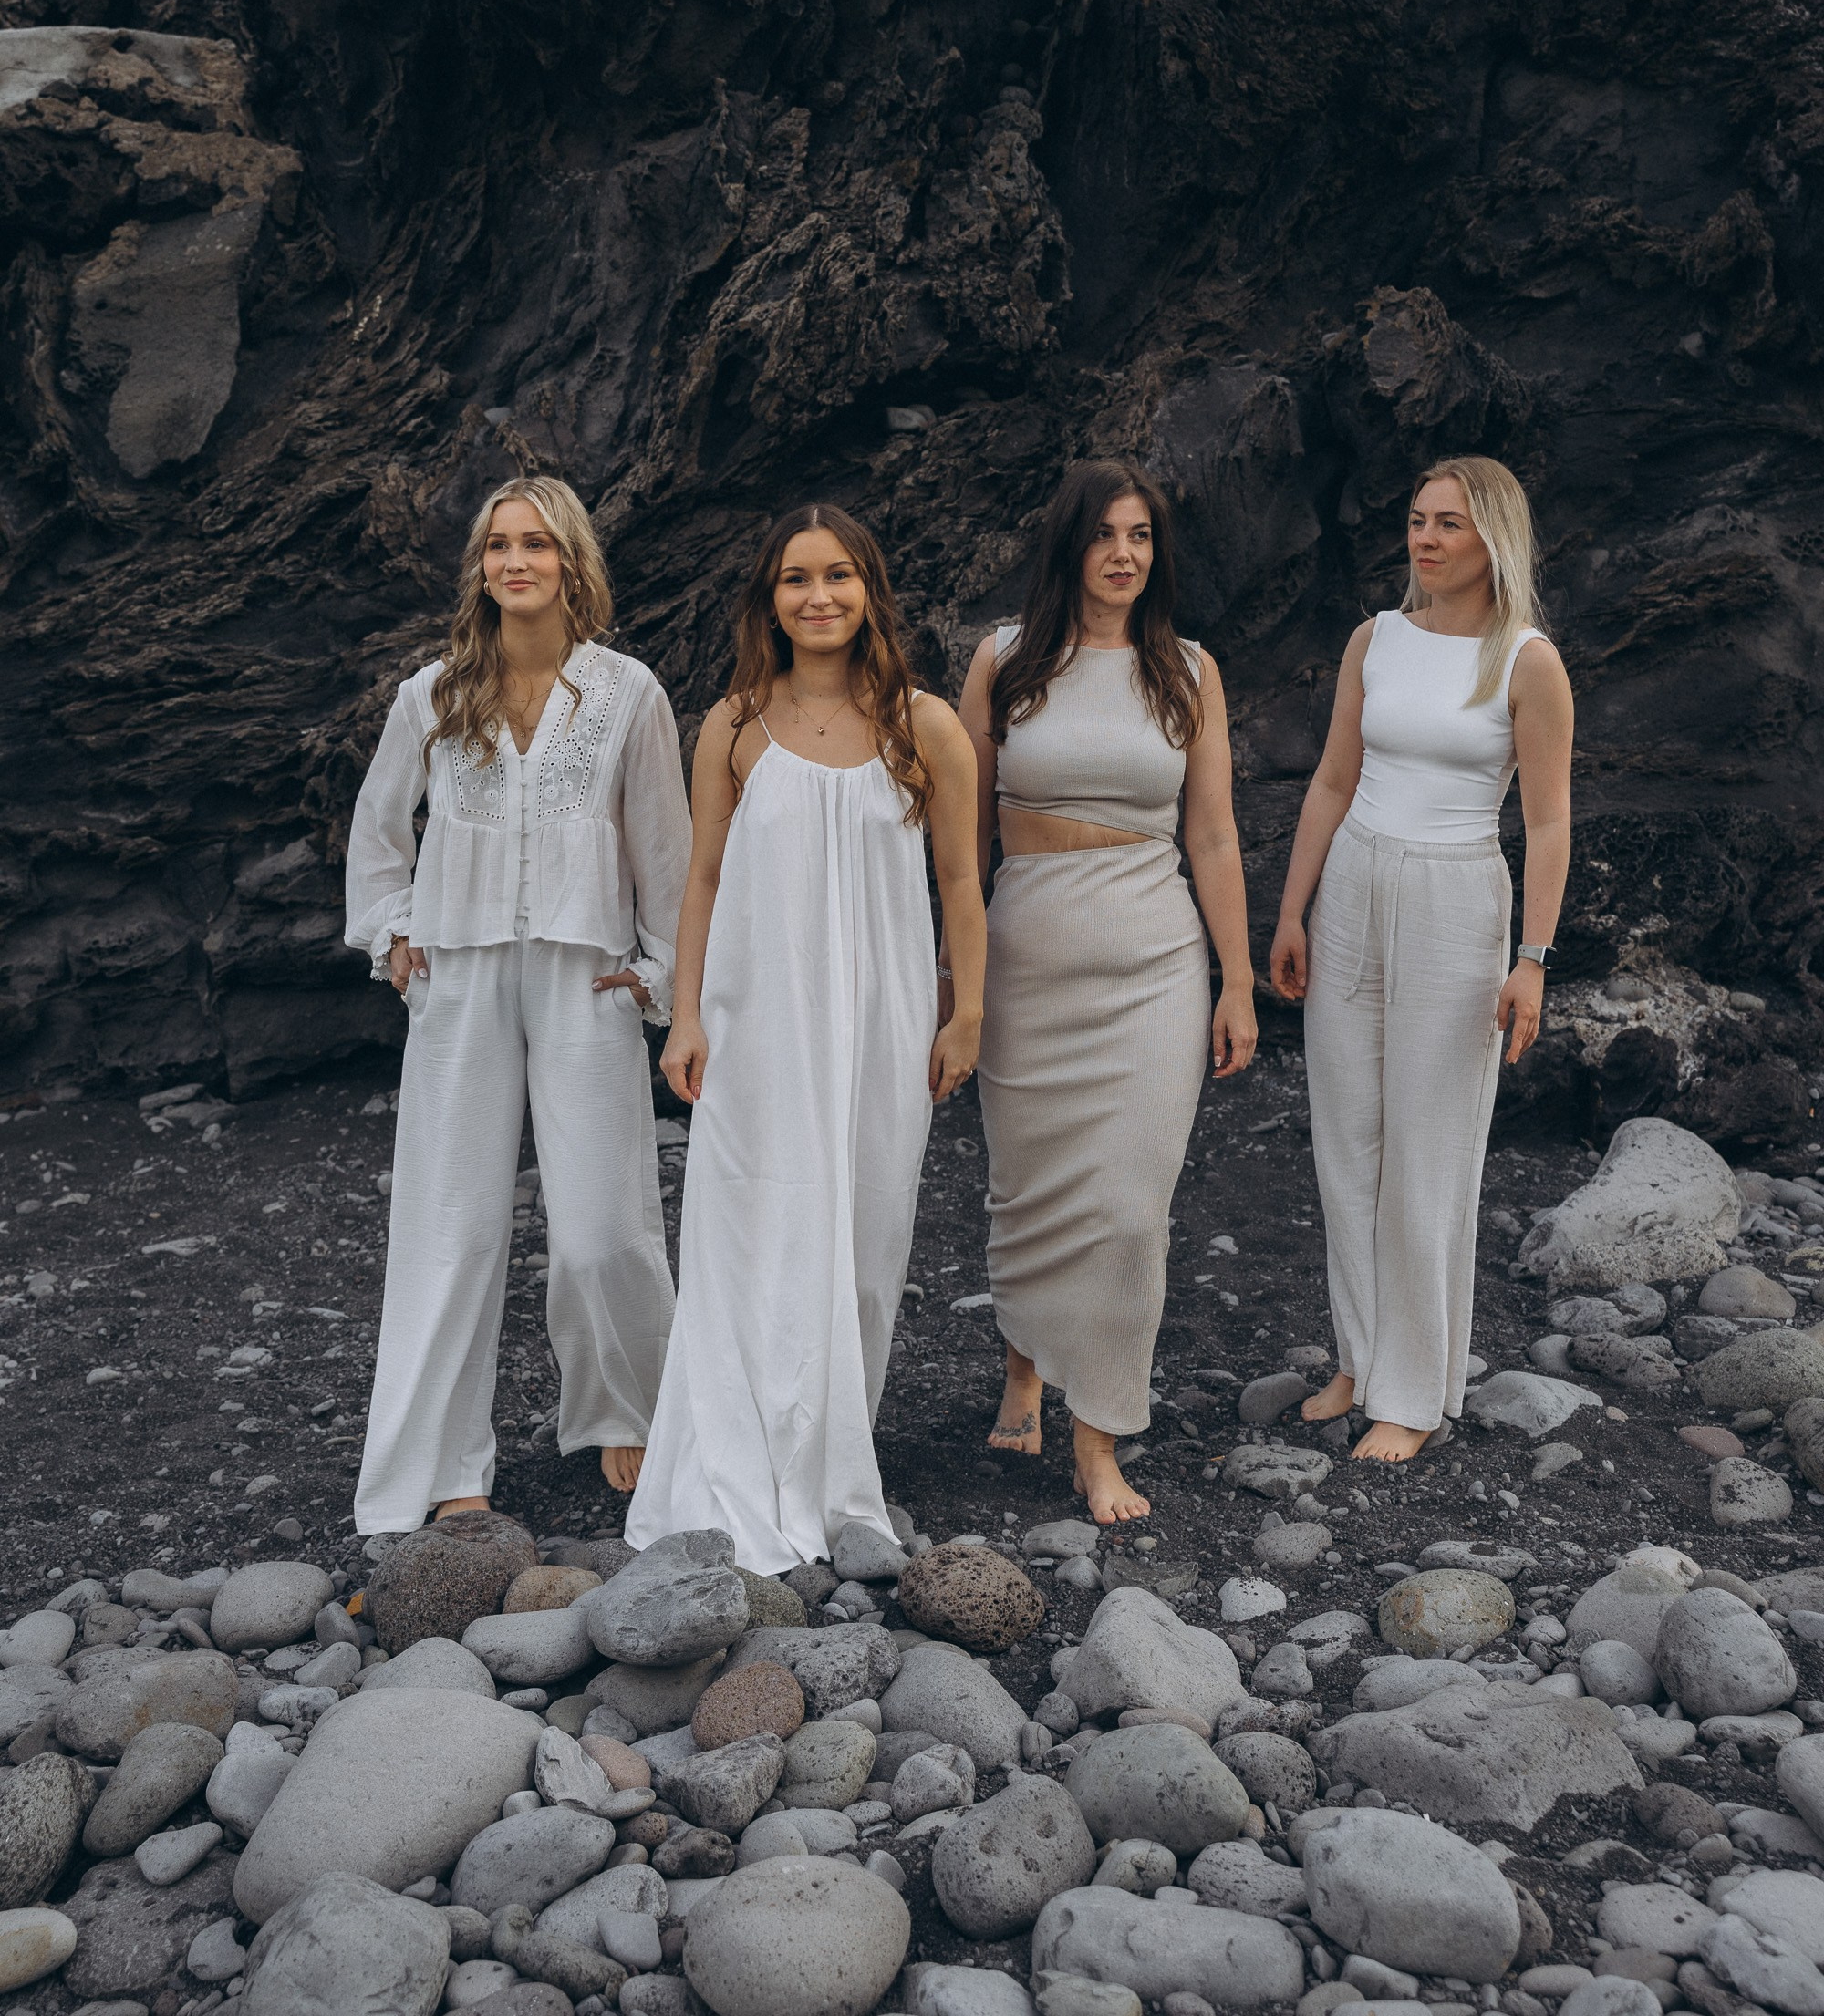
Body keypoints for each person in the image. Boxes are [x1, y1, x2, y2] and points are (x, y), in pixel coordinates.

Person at [625, 502, 985, 1573]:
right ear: (768, 599)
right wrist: (684, 1015)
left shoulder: (925, 726)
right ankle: (733, 1462)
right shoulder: (732, 724)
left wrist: (965, 1010)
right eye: (794, 579)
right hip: (756, 1016)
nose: (816, 597)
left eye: (837, 577)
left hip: (880, 1015)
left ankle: (830, 1461)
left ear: (869, 590)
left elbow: (961, 878)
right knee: (750, 1231)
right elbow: (698, 881)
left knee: (867, 1238)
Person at [344, 473, 690, 1533]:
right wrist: (393, 931)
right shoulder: (433, 692)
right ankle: (445, 1457)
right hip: (462, 971)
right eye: (498, 545)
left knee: (603, 1226)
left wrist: (661, 970)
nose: (515, 562)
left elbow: (663, 844)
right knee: (452, 1222)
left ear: (571, 561)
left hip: (586, 971)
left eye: (537, 544)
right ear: (481, 567)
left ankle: (627, 1405)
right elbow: (377, 831)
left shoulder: (628, 692)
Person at [955, 458, 1257, 1526]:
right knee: (1027, 1190)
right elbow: (962, 833)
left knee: (1129, 1210)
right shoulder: (1002, 660)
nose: (1124, 554)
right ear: (1068, 546)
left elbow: (1212, 834)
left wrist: (1237, 981)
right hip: (1026, 952)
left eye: (1139, 536)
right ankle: (1023, 1367)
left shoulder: (1185, 671)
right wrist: (953, 974)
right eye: (1104, 536)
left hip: (1152, 961)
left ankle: (1098, 1442)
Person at [1270, 454, 1574, 1463]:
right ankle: (1358, 1355)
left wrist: (1531, 958)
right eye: (1414, 519)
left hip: (1455, 895)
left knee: (1428, 1146)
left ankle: (1412, 1391)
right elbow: (1328, 780)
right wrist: (1292, 911)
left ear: (1493, 539)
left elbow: (1546, 820)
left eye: (1448, 523)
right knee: (1345, 1133)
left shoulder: (1524, 660)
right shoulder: (1377, 638)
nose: (1425, 539)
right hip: (1352, 881)